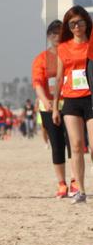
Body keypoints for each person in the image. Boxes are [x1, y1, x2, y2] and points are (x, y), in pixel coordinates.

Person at [52, 6, 93, 204]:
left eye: (80, 22)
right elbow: (59, 78)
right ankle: (81, 190)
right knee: (76, 146)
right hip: (70, 100)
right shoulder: (63, 47)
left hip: (90, 98)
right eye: (72, 24)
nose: (77, 27)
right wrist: (55, 107)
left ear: (86, 23)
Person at [32, 19, 75, 198]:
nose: (57, 36)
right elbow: (37, 82)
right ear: (48, 36)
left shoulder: (71, 54)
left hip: (71, 103)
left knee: (73, 143)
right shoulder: (41, 58)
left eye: (61, 33)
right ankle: (61, 183)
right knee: (57, 145)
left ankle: (75, 180)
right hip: (49, 106)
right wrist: (45, 101)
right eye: (54, 33)